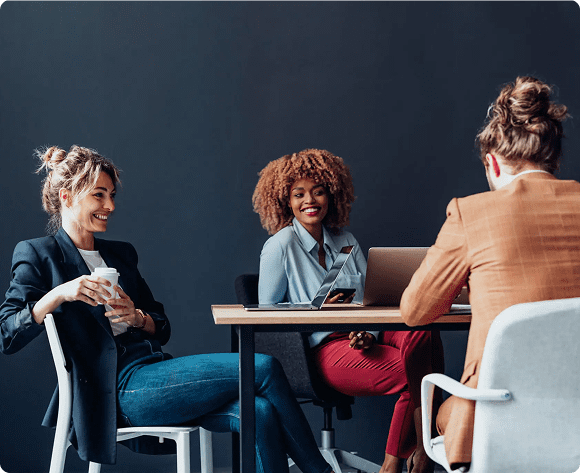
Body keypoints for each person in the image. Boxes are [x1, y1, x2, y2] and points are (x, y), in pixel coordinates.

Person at [0, 145, 335, 473]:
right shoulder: (38, 254)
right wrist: (60, 293)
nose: (110, 205)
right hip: (117, 390)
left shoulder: (120, 255)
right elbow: (7, 333)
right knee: (263, 367)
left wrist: (137, 317)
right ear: (68, 197)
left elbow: (161, 326)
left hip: (153, 373)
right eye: (98, 195)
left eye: (112, 195)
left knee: (259, 411)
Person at [400, 76, 577, 470]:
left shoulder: (471, 212)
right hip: (575, 423)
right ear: (554, 160)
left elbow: (415, 311)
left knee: (439, 412)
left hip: (493, 419)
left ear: (493, 162)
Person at [252, 148, 444, 473]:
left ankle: (420, 452)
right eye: (299, 194)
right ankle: (396, 462)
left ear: (331, 193)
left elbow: (374, 301)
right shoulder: (280, 247)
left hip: (361, 336)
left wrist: (367, 333)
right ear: (286, 200)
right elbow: (265, 322)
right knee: (415, 374)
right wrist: (322, 314)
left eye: (318, 191)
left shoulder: (344, 241)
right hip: (319, 350)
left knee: (423, 330)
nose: (309, 201)